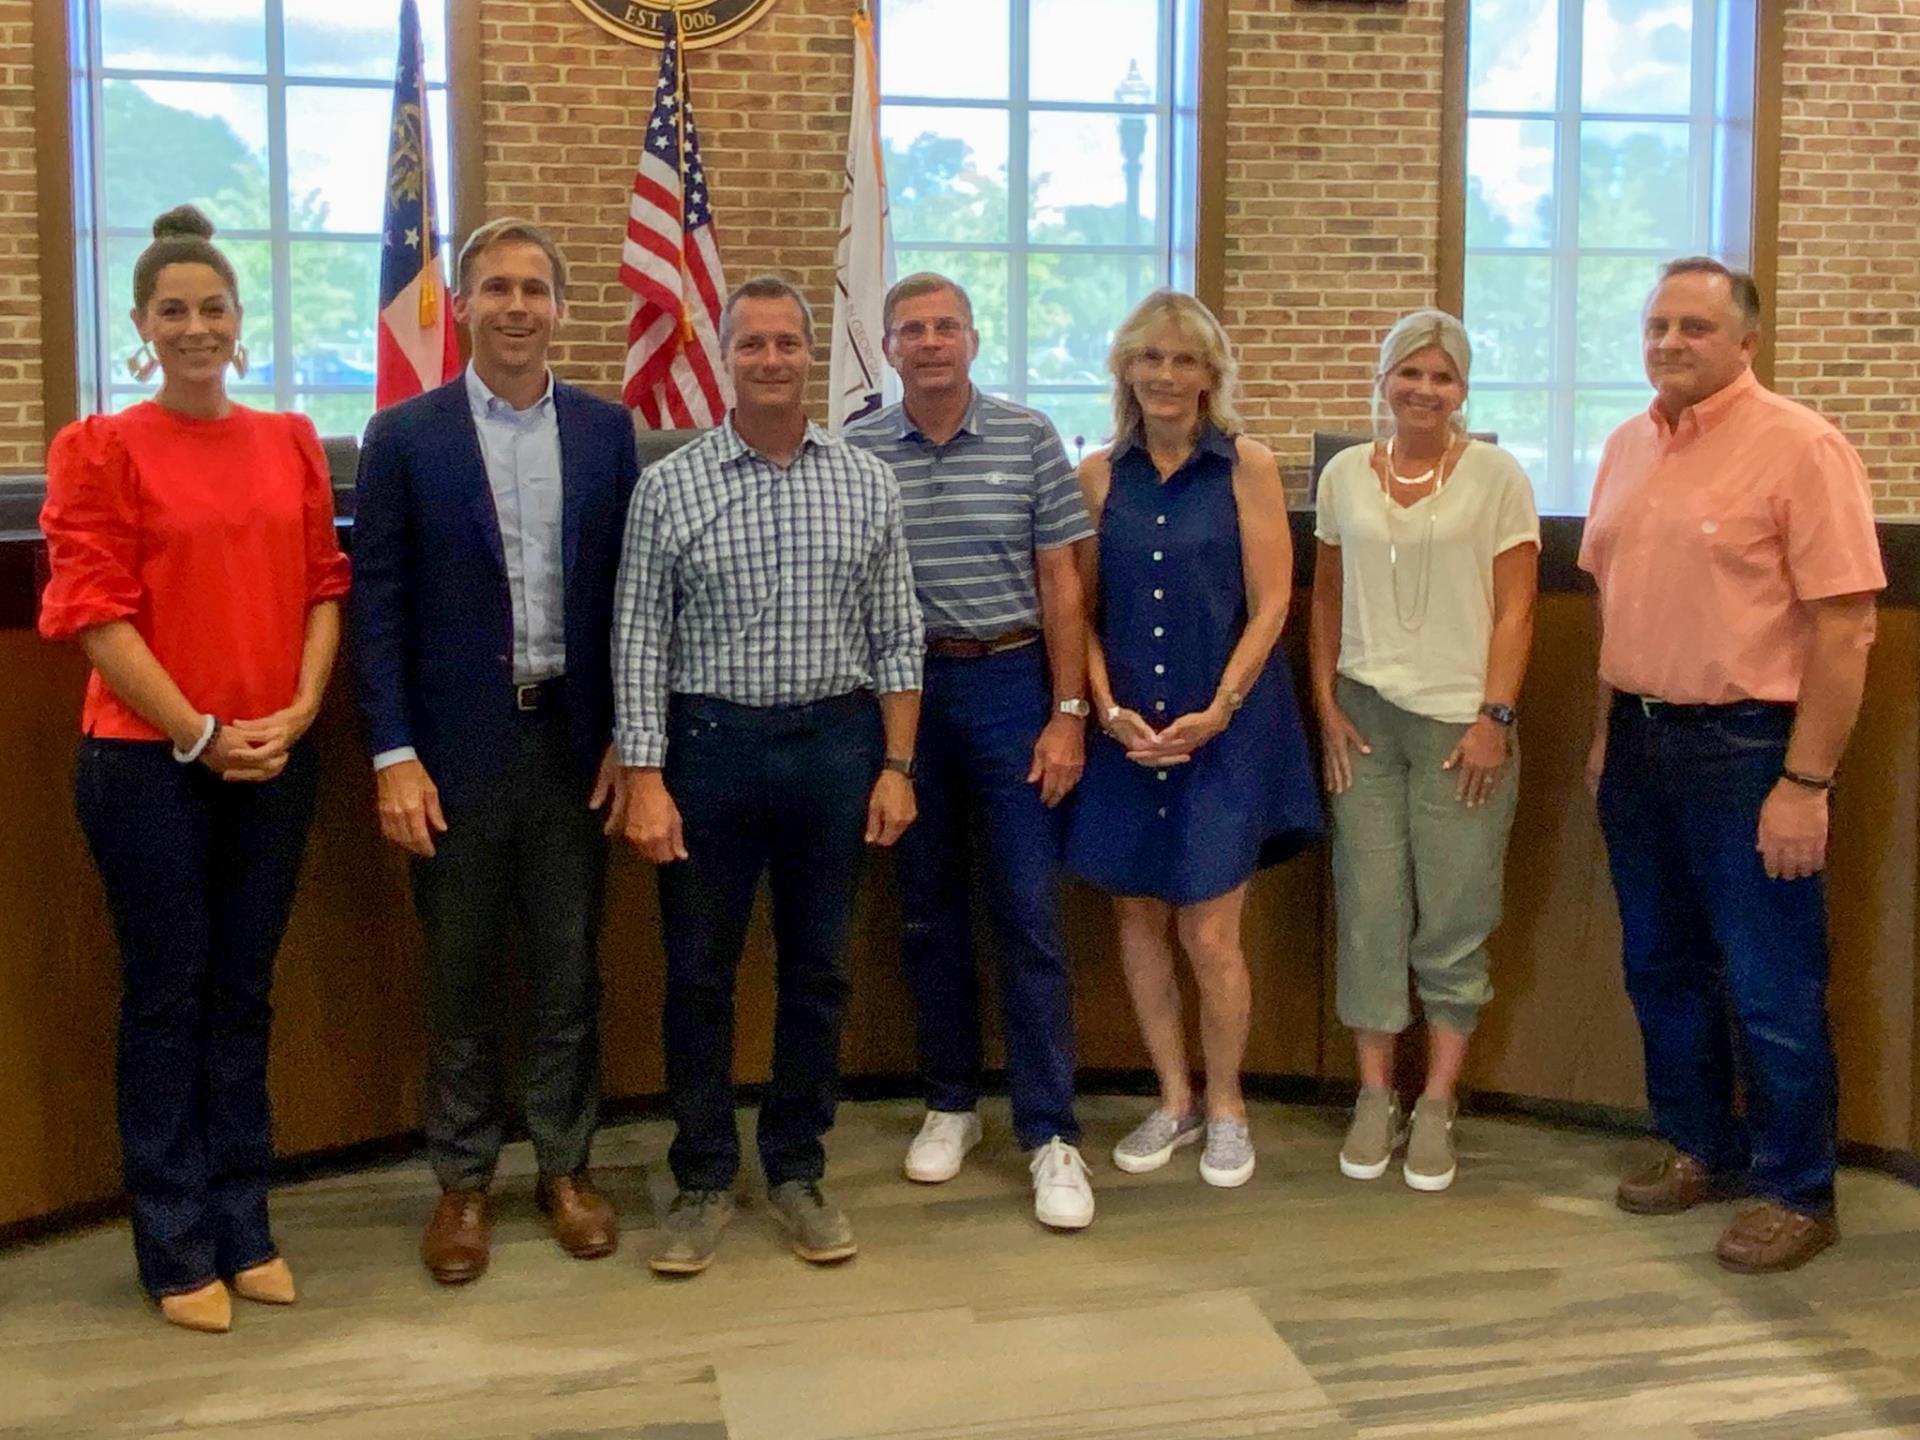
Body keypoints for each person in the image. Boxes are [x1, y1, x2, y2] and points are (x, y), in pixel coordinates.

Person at [38, 205, 350, 1332]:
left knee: (245, 993)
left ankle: (244, 1221)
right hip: (149, 767)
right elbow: (93, 615)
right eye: (173, 311)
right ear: (141, 326)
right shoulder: (102, 448)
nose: (196, 327)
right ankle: (175, 1244)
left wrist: (303, 707)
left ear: (238, 321)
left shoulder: (291, 441)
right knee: (167, 1000)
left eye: (213, 308)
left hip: (276, 756)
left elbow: (323, 584)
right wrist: (200, 733)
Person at [615, 274, 923, 1275]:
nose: (773, 361)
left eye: (789, 344)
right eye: (753, 346)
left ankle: (797, 1167)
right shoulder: (671, 485)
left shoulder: (865, 479)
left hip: (836, 750)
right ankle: (703, 1177)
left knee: (819, 971)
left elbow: (897, 636)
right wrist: (647, 777)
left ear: (810, 356)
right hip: (709, 751)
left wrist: (896, 763)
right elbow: (637, 643)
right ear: (726, 359)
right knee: (698, 974)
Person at [350, 217, 639, 1285]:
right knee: (462, 976)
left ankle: (566, 1170)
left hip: (573, 745)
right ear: (461, 306)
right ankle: (463, 1185)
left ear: (562, 309)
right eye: (496, 288)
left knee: (570, 973)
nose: (517, 306)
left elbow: (630, 602)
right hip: (453, 755)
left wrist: (627, 736)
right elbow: (376, 603)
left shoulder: (610, 433)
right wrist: (391, 751)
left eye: (536, 288)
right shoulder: (406, 436)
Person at [1582, 257, 1883, 1273]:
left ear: (1745, 341)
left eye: (1695, 329)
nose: (1670, 343)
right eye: (1658, 325)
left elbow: (1845, 629)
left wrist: (1806, 783)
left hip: (1750, 750)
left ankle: (1799, 1189)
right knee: (1660, 965)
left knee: (1769, 983)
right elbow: (1614, 609)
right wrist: (1600, 731)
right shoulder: (1627, 447)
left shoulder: (1802, 447)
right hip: (1639, 739)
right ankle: (1699, 1144)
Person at [843, 272, 1096, 1231]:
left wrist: (1067, 709)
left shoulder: (1028, 437)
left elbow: (1063, 586)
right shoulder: (857, 448)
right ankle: (951, 1102)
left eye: (947, 326)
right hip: (904, 699)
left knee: (1029, 916)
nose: (932, 342)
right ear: (890, 346)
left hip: (1011, 689)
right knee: (928, 914)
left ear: (975, 340)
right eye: (912, 329)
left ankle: (1050, 1132)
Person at [1066, 290, 1321, 1189]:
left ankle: (1226, 1107)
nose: (1166, 376)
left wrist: (1221, 705)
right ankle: (1172, 1099)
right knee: (1139, 917)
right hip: (1128, 732)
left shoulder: (1247, 465)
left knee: (1211, 931)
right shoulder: (1097, 475)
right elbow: (1078, 612)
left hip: (1229, 732)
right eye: (1150, 359)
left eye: (1184, 360)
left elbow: (1276, 600)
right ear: (1126, 372)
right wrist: (1103, 708)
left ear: (1212, 374)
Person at [1309, 309, 1539, 1192]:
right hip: (1365, 719)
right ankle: (1376, 1095)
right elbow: (1325, 596)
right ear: (1385, 380)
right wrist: (1324, 701)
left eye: (1443, 378)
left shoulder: (1495, 478)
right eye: (1410, 373)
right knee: (1368, 904)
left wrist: (1496, 717)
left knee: (1454, 910)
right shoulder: (1342, 477)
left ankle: (1438, 1100)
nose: (1425, 391)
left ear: (1463, 390)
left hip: (1461, 727)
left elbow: (1517, 607)